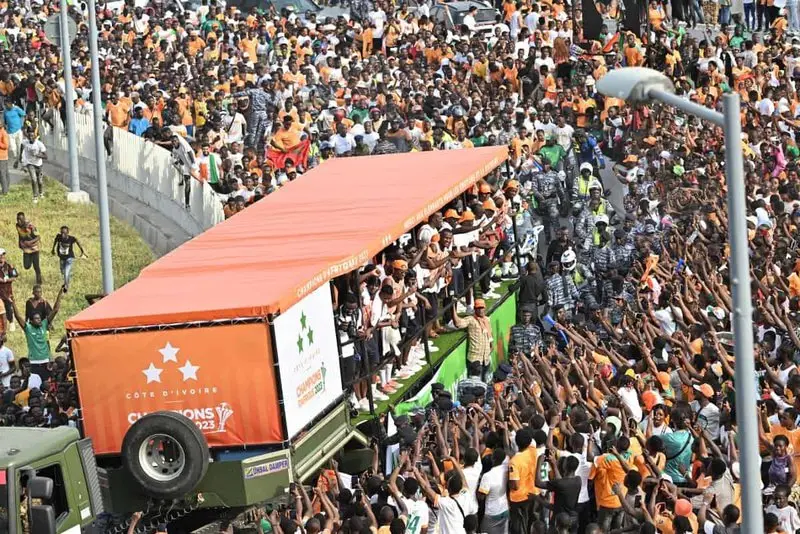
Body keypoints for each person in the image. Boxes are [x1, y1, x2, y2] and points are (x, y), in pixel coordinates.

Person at [6, 285, 64, 381]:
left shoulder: (44, 324)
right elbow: (18, 316)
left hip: (46, 362)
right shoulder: (28, 328)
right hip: (33, 362)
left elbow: (55, 310)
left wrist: (60, 293)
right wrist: (13, 303)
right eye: (37, 319)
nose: (39, 320)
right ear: (31, 321)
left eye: (40, 318)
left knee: (46, 385)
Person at [451, 298, 493, 381]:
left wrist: (491, 346)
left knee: (485, 384)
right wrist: (453, 308)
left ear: (485, 308)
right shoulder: (471, 319)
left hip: (486, 359)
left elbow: (490, 335)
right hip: (475, 360)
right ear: (475, 309)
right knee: (475, 385)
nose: (481, 310)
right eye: (478, 308)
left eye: (482, 308)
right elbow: (458, 324)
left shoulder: (487, 320)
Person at [51, 226, 86, 292]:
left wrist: (82, 251)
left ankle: (66, 286)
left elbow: (78, 243)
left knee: (66, 273)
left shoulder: (71, 239)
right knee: (62, 271)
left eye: (64, 233)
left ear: (67, 233)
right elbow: (55, 241)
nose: (62, 235)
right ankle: (67, 279)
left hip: (69, 258)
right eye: (61, 233)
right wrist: (53, 249)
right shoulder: (58, 237)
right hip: (61, 258)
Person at [18, 129, 46, 202]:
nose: (30, 137)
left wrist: (38, 155)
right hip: (30, 164)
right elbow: (22, 145)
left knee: (40, 181)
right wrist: (20, 156)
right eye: (29, 136)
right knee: (34, 180)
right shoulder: (25, 142)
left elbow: (46, 156)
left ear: (35, 136)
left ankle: (41, 193)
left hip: (38, 164)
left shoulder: (39, 144)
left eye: (32, 136)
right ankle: (35, 197)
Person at [16, 212, 41, 285]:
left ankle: (39, 282)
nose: (18, 221)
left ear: (24, 219)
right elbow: (19, 234)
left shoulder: (30, 226)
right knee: (26, 266)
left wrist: (30, 242)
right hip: (26, 249)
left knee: (36, 266)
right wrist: (19, 242)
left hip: (34, 248)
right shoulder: (17, 226)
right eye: (17, 219)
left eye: (20, 219)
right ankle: (30, 260)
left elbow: (38, 237)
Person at [0, 119, 9, 195]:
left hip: (2, 157)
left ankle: (4, 191)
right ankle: (6, 189)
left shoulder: (3, 133)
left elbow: (6, 146)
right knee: (5, 173)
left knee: (2, 174)